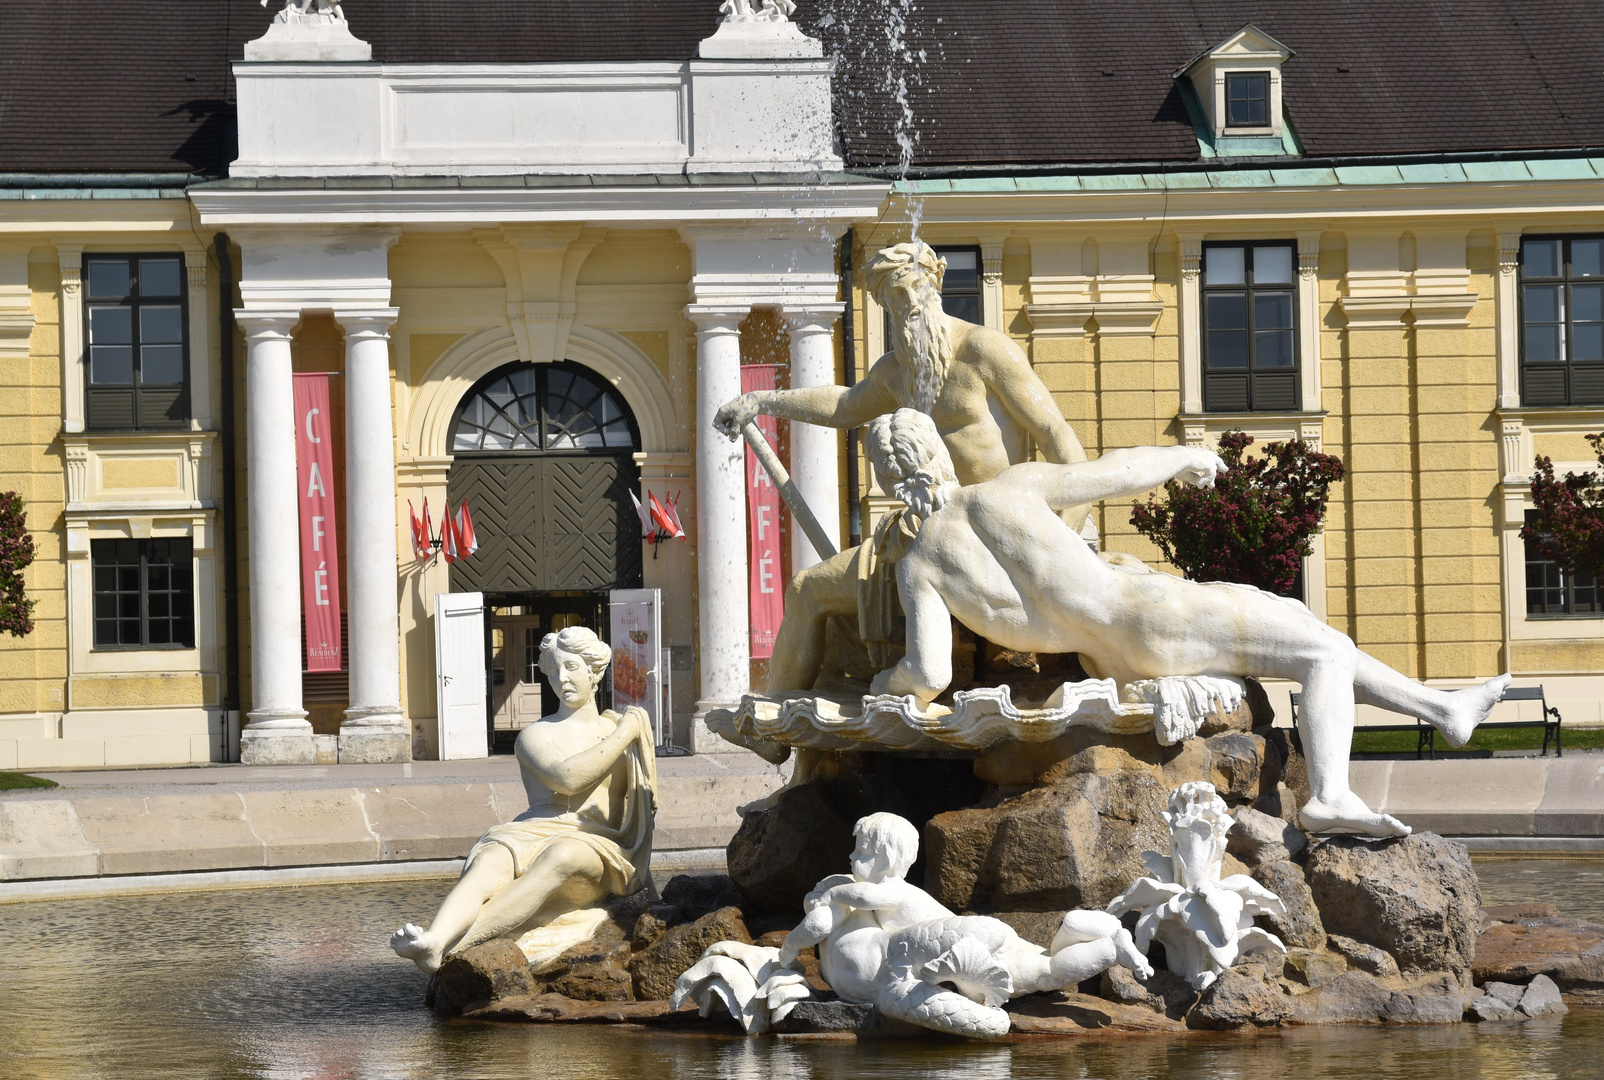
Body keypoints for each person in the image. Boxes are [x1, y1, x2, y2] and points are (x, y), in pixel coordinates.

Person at [863, 408, 1512, 838]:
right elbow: (1112, 472)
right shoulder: (1006, 489)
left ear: (892, 478)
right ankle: (1330, 798)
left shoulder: (919, 564)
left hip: (1108, 656)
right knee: (1321, 652)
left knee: (1302, 626)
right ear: (938, 455)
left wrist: (884, 683)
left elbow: (927, 671)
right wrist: (1182, 457)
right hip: (1149, 615)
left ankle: (1444, 711)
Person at [713, 241, 1089, 694]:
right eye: (895, 297)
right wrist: (762, 399)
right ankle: (780, 725)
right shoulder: (896, 372)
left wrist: (1060, 539)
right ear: (884, 306)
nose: (908, 304)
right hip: (928, 533)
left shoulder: (986, 351)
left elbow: (1062, 443)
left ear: (937, 284)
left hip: (1001, 531)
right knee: (807, 590)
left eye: (915, 289)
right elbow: (844, 406)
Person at [390, 626, 656, 973]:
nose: (562, 678)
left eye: (572, 667)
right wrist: (626, 733)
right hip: (531, 830)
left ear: (595, 671)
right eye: (554, 670)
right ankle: (436, 939)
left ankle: (460, 948)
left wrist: (650, 890)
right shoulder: (536, 735)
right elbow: (568, 779)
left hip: (597, 844)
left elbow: (641, 813)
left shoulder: (617, 730)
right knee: (493, 857)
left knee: (563, 854)